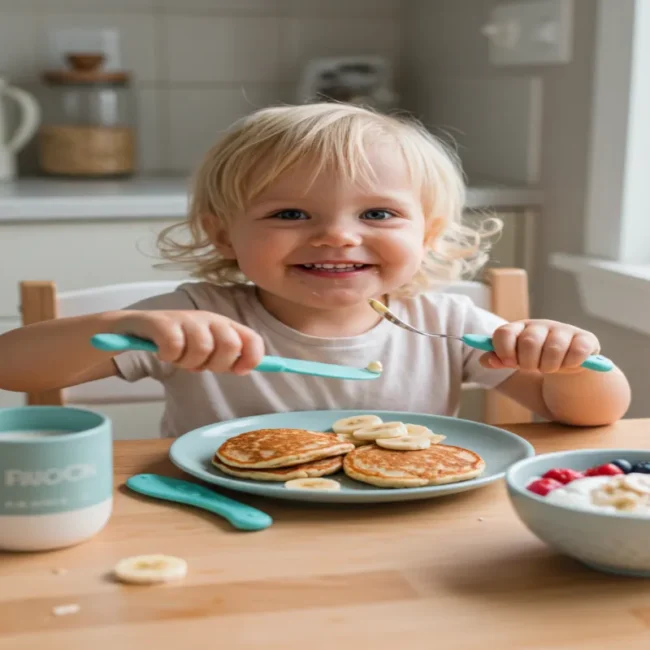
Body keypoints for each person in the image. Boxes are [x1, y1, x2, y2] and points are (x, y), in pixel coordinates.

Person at [0, 103, 630, 437]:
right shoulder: (195, 320)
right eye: (292, 212)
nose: (336, 235)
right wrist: (121, 324)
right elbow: (12, 367)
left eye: (378, 212)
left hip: (410, 527)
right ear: (224, 233)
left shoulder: (446, 323)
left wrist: (571, 362)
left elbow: (587, 414)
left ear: (427, 234)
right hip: (227, 526)